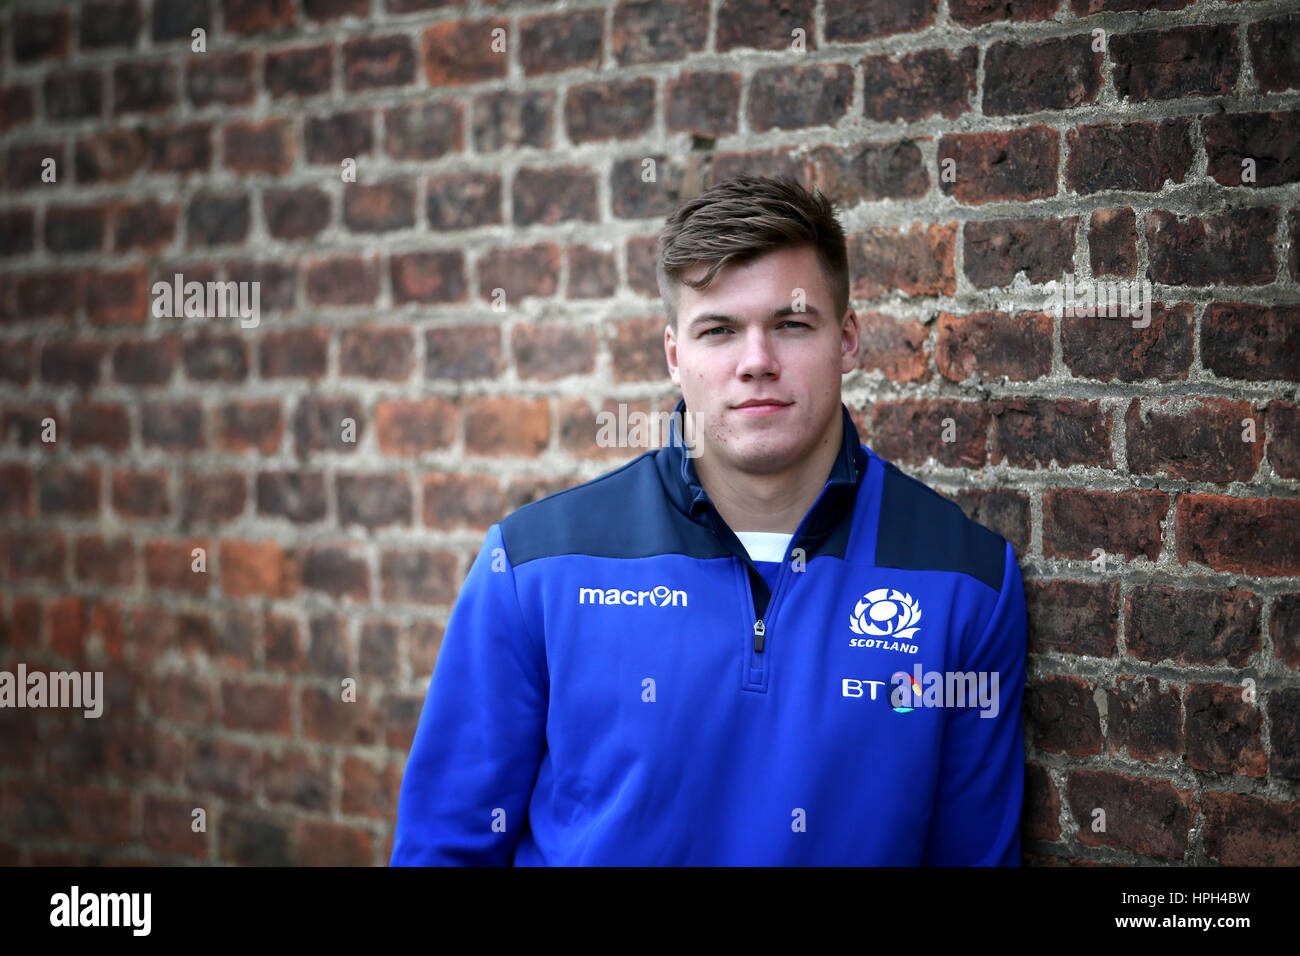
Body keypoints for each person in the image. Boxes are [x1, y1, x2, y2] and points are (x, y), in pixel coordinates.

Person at [390, 174, 1028, 865]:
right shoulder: (534, 567)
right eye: (719, 330)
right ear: (675, 355)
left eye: (790, 324)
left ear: (846, 340)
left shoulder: (967, 582)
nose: (756, 362)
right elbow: (445, 847)